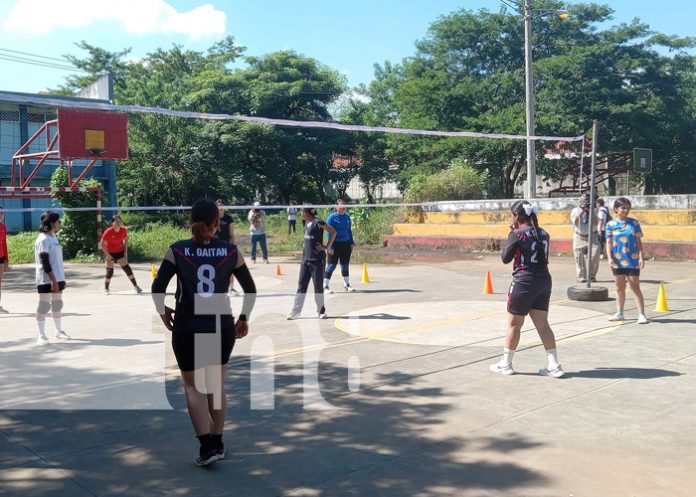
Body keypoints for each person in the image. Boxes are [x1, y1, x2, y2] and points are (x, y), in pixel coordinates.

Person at [151, 199, 257, 466]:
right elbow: (250, 289)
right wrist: (243, 318)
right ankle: (218, 442)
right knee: (215, 385)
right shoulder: (230, 251)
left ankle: (206, 448)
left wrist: (163, 311)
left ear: (191, 221)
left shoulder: (178, 250)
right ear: (217, 223)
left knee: (193, 387)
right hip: (220, 325)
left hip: (187, 325)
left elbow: (158, 286)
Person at [489, 200, 565, 378]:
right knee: (543, 324)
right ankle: (554, 365)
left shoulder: (517, 233)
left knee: (515, 324)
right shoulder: (544, 233)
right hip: (544, 281)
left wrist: (511, 234)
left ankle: (506, 363)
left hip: (524, 281)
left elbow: (505, 258)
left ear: (516, 216)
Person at [287, 207, 336, 320]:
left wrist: (326, 247)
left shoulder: (317, 222)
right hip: (305, 260)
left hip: (317, 260)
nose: (300, 213)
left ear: (306, 212)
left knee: (318, 286)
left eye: (302, 211)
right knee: (301, 285)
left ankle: (321, 311)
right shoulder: (305, 222)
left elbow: (333, 232)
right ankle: (295, 311)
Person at [605, 197, 648, 324]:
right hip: (617, 261)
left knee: (635, 287)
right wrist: (610, 258)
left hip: (633, 260)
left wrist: (641, 257)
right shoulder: (610, 224)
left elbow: (638, 241)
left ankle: (641, 314)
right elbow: (608, 243)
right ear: (616, 209)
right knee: (619, 287)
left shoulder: (634, 223)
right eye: (623, 208)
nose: (625, 210)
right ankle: (620, 312)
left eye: (628, 208)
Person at [34, 211, 70, 345]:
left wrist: (60, 279)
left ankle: (58, 331)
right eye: (58, 221)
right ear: (51, 223)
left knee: (57, 303)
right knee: (44, 305)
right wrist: (53, 280)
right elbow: (45, 262)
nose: (59, 223)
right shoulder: (42, 239)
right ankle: (41, 335)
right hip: (46, 278)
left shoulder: (54, 238)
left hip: (58, 277)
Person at [99, 215, 143, 295]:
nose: (118, 223)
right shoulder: (108, 231)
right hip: (110, 253)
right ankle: (106, 288)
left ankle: (136, 286)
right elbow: (102, 244)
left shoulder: (123, 230)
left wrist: (125, 252)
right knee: (110, 272)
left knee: (127, 269)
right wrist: (108, 255)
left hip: (119, 252)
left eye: (120, 222)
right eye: (116, 222)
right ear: (112, 223)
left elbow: (125, 241)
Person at [323, 200, 356, 293]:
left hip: (345, 244)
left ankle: (347, 285)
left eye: (344, 206)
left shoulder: (347, 217)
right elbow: (329, 232)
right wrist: (330, 246)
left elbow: (349, 230)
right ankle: (325, 286)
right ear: (336, 207)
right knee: (331, 265)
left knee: (345, 265)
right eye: (341, 206)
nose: (343, 207)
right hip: (335, 244)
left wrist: (351, 242)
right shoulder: (332, 217)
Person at [570, 193, 600, 282]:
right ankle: (581, 276)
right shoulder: (575, 210)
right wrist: (582, 211)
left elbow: (596, 222)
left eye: (587, 201)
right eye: (583, 201)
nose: (585, 203)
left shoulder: (595, 210)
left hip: (592, 235)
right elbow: (575, 222)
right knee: (579, 256)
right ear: (579, 201)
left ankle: (591, 276)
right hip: (579, 235)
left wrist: (590, 211)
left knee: (595, 254)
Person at [215, 199, 238, 295]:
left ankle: (231, 288)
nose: (220, 207)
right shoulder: (212, 218)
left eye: (221, 205)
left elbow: (231, 234)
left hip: (226, 247)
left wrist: (234, 247)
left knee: (230, 268)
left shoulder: (229, 218)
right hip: (214, 247)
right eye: (218, 205)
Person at [0, 206, 9, 314]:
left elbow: (4, 244)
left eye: (2, 213)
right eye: (0, 213)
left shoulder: (3, 227)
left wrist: (7, 260)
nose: (1, 215)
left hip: (1, 257)